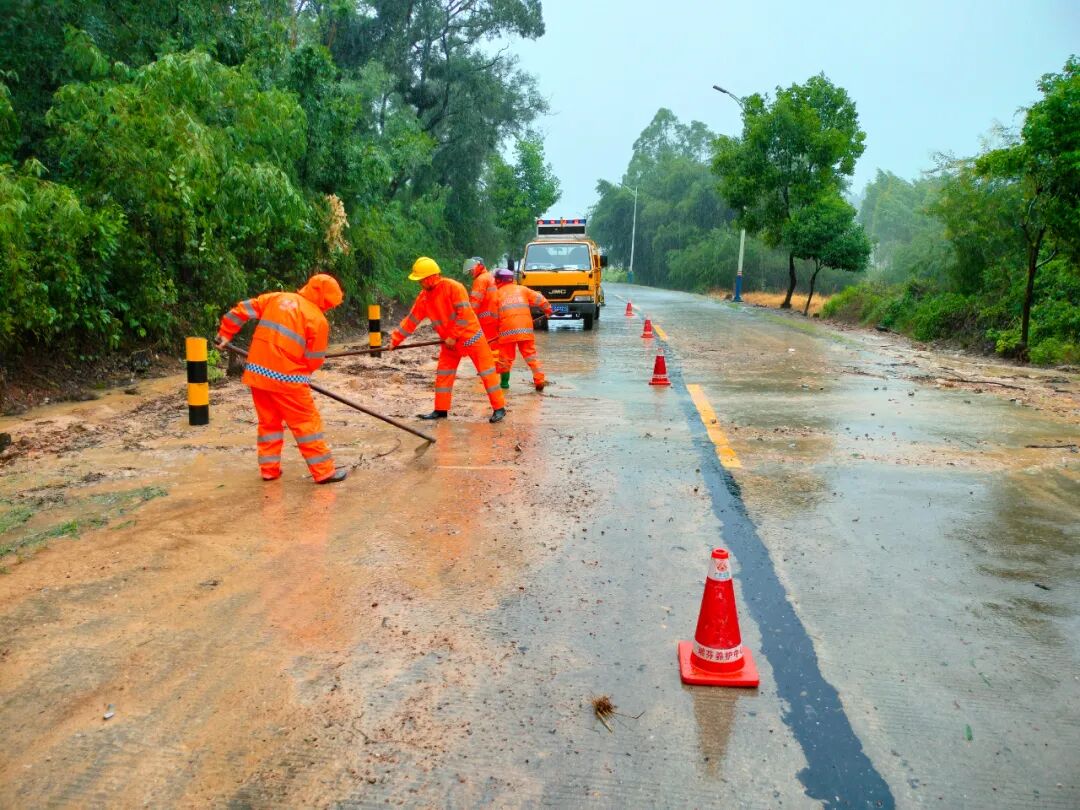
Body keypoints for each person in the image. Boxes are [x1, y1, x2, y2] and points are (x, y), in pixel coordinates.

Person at [215, 274, 348, 484]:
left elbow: (242, 309)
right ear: (326, 300)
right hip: (288, 380)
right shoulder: (318, 320)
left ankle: (269, 470)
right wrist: (300, 373)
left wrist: (225, 333)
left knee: (269, 424)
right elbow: (314, 359)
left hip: (257, 374)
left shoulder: (277, 298)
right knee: (306, 423)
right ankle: (323, 471)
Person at [389, 257, 506, 423]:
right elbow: (411, 321)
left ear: (431, 277)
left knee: (487, 372)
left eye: (421, 280)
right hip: (449, 343)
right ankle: (440, 410)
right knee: (444, 374)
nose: (420, 283)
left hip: (471, 337)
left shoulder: (454, 287)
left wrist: (453, 336)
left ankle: (499, 408)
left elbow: (465, 314)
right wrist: (395, 340)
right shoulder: (424, 297)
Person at [493, 268, 554, 392]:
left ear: (498, 280)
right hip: (525, 330)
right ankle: (539, 381)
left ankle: (504, 385)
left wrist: (494, 332)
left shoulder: (496, 294)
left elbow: (493, 316)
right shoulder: (523, 290)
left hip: (506, 331)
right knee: (531, 356)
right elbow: (540, 299)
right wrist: (548, 310)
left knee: (505, 359)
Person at [464, 257, 500, 344]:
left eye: (471, 269)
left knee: (488, 343)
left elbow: (475, 302)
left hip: (486, 319)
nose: (470, 272)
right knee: (494, 341)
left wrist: (469, 318)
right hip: (495, 315)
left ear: (478, 266)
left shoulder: (480, 280)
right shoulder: (490, 276)